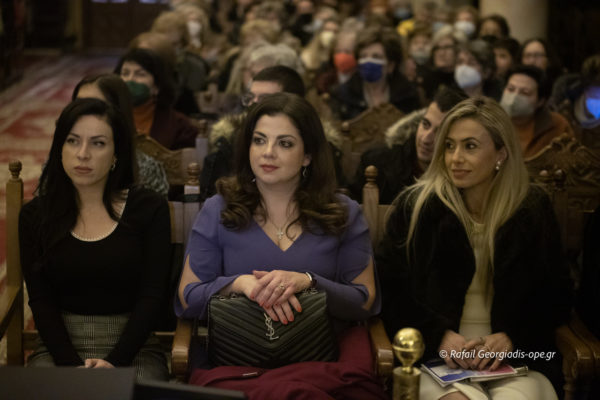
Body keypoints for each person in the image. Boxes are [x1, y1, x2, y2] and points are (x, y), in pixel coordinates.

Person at [175, 93, 384, 399]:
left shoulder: (343, 212)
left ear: (308, 155)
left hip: (321, 366)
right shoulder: (219, 209)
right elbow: (188, 299)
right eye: (259, 140)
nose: (268, 152)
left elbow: (364, 301)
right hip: (238, 367)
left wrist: (308, 282)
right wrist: (239, 284)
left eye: (284, 143)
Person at [377, 96, 572, 399]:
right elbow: (391, 290)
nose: (455, 158)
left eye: (470, 146)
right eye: (449, 146)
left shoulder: (531, 209)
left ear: (501, 153)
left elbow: (556, 295)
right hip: (434, 359)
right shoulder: (417, 207)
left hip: (514, 360)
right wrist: (438, 336)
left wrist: (512, 338)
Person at [19, 98, 171, 380]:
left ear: (116, 155)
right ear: (59, 149)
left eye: (98, 143)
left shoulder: (149, 209)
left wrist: (115, 361)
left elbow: (153, 294)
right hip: (58, 347)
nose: (83, 154)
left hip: (134, 346)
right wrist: (70, 365)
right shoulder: (35, 216)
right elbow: (40, 300)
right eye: (72, 141)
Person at [200, 65, 343, 200]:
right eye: (258, 141)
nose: (253, 104)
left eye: (265, 99)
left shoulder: (321, 149)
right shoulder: (229, 143)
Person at [351, 86, 467, 203]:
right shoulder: (376, 164)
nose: (426, 139)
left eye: (439, 132)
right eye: (425, 124)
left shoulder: (463, 181)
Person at [72, 74, 169, 197]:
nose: (83, 113)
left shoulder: (145, 168)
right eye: (78, 104)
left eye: (95, 106)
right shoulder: (63, 157)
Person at [329, 26, 420, 120]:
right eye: (363, 56)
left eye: (376, 57)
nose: (368, 61)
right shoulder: (342, 94)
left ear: (390, 65)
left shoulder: (408, 95)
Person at [115, 48, 198, 150]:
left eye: (140, 74)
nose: (130, 79)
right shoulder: (109, 117)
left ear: (156, 87)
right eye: (125, 73)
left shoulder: (180, 126)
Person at [500, 65, 574, 159]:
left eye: (525, 92)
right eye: (510, 89)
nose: (514, 97)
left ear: (540, 101)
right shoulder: (489, 120)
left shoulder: (556, 125)